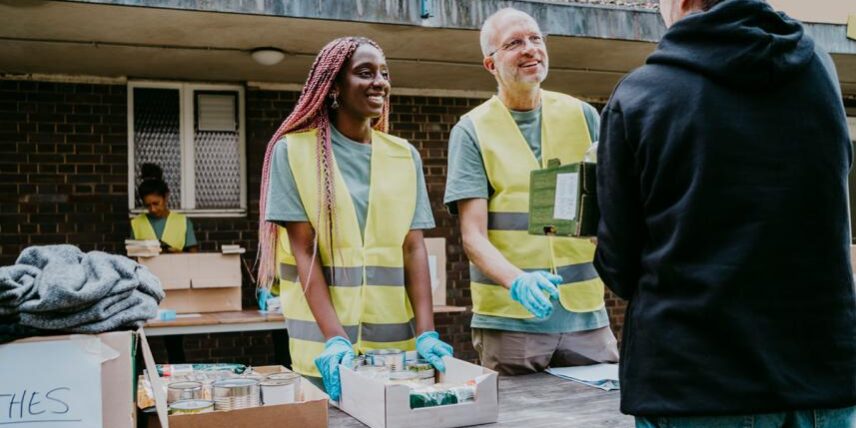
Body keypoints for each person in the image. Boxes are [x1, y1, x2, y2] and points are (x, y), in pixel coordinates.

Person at [595, 0, 856, 426]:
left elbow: (619, 265)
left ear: (680, 3)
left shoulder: (642, 92)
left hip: (697, 384)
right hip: (820, 379)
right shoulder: (818, 70)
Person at [257, 37, 454, 401]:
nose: (379, 81)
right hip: (324, 354)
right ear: (334, 86)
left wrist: (427, 333)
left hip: (395, 353)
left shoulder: (404, 156)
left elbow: (413, 248)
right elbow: (304, 250)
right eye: (365, 73)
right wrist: (335, 339)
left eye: (383, 73)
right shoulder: (293, 152)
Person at [444, 7, 618, 375]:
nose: (530, 49)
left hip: (586, 316)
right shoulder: (472, 130)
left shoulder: (584, 115)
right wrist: (517, 281)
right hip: (511, 322)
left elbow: (611, 203)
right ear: (491, 64)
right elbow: (472, 236)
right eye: (514, 43)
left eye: (536, 39)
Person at [131, 163, 198, 253]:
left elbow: (194, 257)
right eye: (148, 205)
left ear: (166, 197)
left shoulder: (183, 222)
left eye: (156, 203)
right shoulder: (136, 223)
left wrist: (179, 254)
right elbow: (131, 259)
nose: (153, 209)